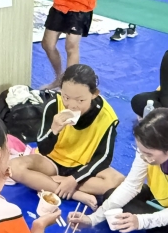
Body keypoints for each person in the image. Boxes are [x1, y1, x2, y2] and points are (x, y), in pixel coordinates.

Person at [11, 65, 123, 209]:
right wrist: (54, 130)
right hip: (51, 161)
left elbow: (103, 158)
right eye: (66, 97)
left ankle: (46, 182)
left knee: (118, 181)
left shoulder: (107, 116)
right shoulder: (54, 105)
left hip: (83, 166)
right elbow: (43, 150)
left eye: (80, 100)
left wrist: (74, 179)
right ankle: (75, 193)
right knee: (13, 167)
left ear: (94, 94)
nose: (71, 105)